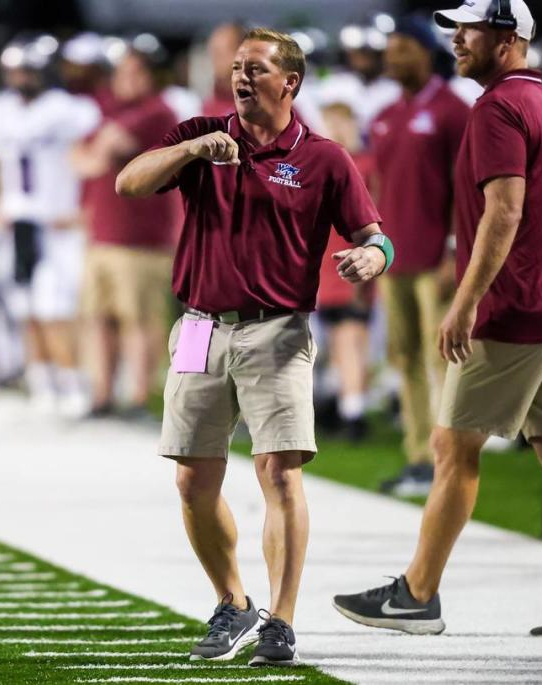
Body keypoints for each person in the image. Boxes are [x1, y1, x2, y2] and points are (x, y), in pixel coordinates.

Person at [333, 0, 542, 638]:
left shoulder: (498, 106)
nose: (457, 41)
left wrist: (467, 299)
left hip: (516, 311)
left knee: (452, 446)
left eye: (468, 30)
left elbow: (504, 212)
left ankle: (417, 595)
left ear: (506, 38)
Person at [116, 27, 388, 666]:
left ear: (289, 82)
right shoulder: (199, 131)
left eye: (256, 69)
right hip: (199, 326)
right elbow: (129, 182)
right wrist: (189, 151)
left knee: (279, 473)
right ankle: (231, 601)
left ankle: (281, 620)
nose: (241, 77)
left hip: (277, 328)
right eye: (237, 67)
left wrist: (372, 259)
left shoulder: (323, 157)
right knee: (190, 479)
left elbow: (378, 237)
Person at [0, 35, 101, 418]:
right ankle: (42, 381)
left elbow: (93, 162)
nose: (20, 78)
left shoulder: (71, 110)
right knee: (24, 307)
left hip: (57, 223)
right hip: (17, 221)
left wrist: (84, 210)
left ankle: (72, 380)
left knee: (57, 308)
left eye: (27, 70)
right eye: (14, 71)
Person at [370, 14, 470, 497]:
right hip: (394, 257)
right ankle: (417, 456)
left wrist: (455, 251)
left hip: (436, 259)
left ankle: (445, 458)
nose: (391, 56)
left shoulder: (453, 111)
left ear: (427, 52)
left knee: (440, 361)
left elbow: (467, 189)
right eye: (389, 48)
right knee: (405, 357)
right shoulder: (386, 115)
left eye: (402, 47)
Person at [72, 49, 181, 418]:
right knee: (98, 316)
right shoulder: (110, 110)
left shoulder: (159, 111)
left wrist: (95, 151)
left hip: (142, 237)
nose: (126, 81)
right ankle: (102, 394)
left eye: (135, 73)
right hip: (103, 234)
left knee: (140, 319)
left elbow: (105, 149)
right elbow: (79, 157)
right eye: (122, 73)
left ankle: (138, 396)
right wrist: (93, 152)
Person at [314, 100, 377, 441]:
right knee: (344, 343)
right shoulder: (329, 165)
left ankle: (354, 413)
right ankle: (348, 407)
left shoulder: (363, 165)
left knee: (350, 340)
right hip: (327, 268)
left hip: (351, 264)